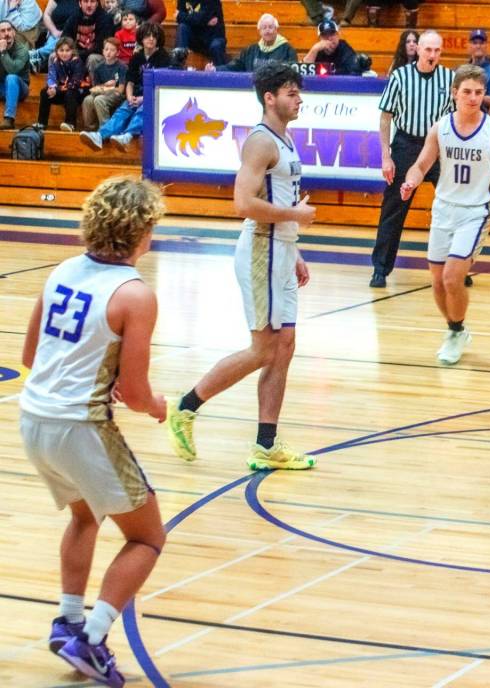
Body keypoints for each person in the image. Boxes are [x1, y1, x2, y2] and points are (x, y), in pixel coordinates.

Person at [19, 176, 168, 688]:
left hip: (33, 419)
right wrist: (157, 407)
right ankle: (93, 635)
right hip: (80, 427)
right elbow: (136, 391)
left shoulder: (62, 270)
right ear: (142, 231)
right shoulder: (135, 294)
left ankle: (68, 620)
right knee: (147, 537)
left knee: (85, 516)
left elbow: (29, 355)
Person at [165, 64, 317, 470]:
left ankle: (266, 445)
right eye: (290, 92)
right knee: (263, 348)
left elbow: (279, 197)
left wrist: (294, 248)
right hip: (261, 250)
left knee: (284, 346)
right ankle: (186, 407)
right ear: (269, 98)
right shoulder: (260, 142)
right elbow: (243, 204)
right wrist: (295, 217)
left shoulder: (285, 139)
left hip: (281, 249)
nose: (298, 99)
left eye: (298, 92)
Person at [399, 64, 490, 365]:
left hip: (476, 211)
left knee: (453, 278)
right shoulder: (440, 128)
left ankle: (455, 333)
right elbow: (422, 164)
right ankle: (456, 328)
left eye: (479, 92)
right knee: (438, 281)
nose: (473, 98)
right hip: (444, 208)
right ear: (454, 93)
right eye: (467, 92)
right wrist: (411, 181)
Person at [370, 31, 453, 288]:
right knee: (394, 208)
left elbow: (455, 119)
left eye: (437, 50)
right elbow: (385, 117)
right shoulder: (400, 76)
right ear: (418, 50)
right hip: (406, 144)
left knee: (453, 206)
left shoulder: (449, 78)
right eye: (428, 50)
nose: (432, 55)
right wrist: (386, 156)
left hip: (438, 147)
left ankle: (457, 266)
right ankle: (380, 268)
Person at [79, 21, 168, 151]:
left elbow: (162, 86)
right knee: (123, 111)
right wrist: (130, 96)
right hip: (136, 94)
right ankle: (99, 135)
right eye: (147, 35)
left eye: (154, 36)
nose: (151, 39)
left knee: (143, 110)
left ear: (158, 39)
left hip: (154, 95)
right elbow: (130, 82)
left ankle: (127, 136)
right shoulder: (136, 57)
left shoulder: (164, 57)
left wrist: (144, 98)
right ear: (141, 38)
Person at [210, 13, 297, 72]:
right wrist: (216, 69)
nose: (267, 31)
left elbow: (292, 72)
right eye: (264, 28)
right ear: (259, 31)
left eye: (270, 27)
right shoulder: (250, 51)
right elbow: (236, 66)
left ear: (276, 29)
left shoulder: (288, 50)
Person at [37, 36, 83, 131]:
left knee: (70, 93)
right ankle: (42, 123)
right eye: (61, 50)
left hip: (76, 92)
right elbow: (51, 77)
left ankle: (70, 123)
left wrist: (56, 90)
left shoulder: (77, 62)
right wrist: (52, 87)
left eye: (67, 50)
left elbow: (74, 83)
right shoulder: (55, 61)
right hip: (60, 91)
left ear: (72, 51)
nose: (64, 53)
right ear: (57, 51)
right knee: (44, 92)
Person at [81, 36, 125, 131]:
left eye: (112, 50)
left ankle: (105, 129)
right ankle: (90, 129)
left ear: (118, 53)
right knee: (88, 100)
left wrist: (110, 87)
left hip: (117, 94)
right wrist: (105, 86)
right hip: (103, 92)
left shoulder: (122, 67)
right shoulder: (98, 68)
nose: (108, 52)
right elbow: (96, 87)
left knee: (99, 100)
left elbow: (121, 90)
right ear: (103, 51)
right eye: (106, 49)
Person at [174, 0, 226, 66]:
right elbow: (179, 19)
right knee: (182, 27)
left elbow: (202, 17)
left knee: (216, 46)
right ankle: (177, 63)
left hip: (212, 37)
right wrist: (204, 22)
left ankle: (221, 70)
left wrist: (182, 16)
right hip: (195, 37)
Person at [466, 29, 490, 114]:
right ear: (469, 46)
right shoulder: (461, 70)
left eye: (481, 43)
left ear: (487, 46)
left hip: (483, 117)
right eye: (475, 43)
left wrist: (469, 94)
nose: (478, 46)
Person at [0, 18, 29, 130]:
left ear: (14, 32)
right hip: (2, 87)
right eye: (2, 31)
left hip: (20, 89)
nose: (6, 33)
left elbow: (13, 70)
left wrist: (3, 52)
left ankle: (9, 119)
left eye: (9, 30)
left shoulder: (22, 50)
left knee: (11, 77)